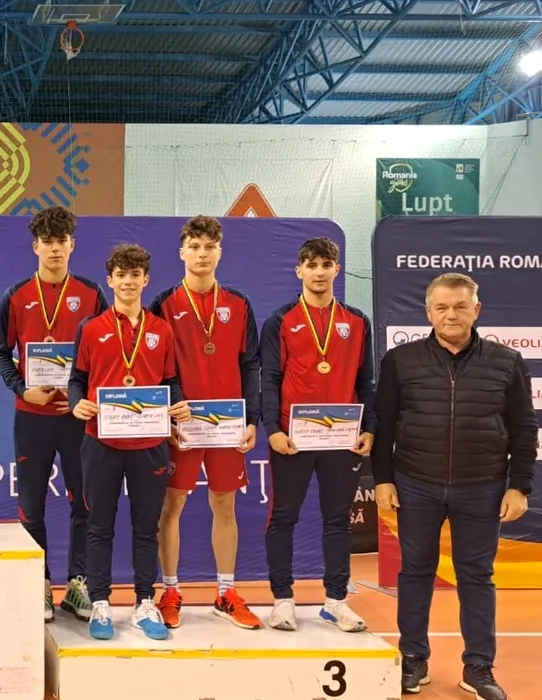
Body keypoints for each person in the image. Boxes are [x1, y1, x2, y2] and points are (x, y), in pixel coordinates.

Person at [373, 272, 536, 700]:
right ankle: (413, 659)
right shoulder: (400, 360)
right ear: (428, 312)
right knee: (415, 573)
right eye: (441, 307)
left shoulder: (507, 362)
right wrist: (383, 479)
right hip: (415, 484)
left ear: (476, 310)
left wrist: (520, 485)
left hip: (483, 487)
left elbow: (524, 427)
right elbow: (383, 424)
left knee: (477, 576)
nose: (451, 315)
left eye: (460, 306)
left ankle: (479, 668)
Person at [67, 243, 191, 641]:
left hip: (149, 443)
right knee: (99, 526)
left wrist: (178, 404)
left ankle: (144, 603)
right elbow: (77, 379)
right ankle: (100, 602)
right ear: (110, 280)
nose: (128, 282)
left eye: (135, 275)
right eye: (121, 275)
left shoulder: (161, 329)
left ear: (145, 280)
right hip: (101, 441)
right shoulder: (91, 327)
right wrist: (76, 402)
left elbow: (170, 381)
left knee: (145, 528)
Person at [0, 205, 106, 623]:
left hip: (77, 419)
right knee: (31, 504)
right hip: (32, 415)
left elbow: (105, 353)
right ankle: (38, 583)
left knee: (84, 503)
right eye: (47, 242)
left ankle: (78, 584)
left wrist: (82, 397)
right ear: (35, 247)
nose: (54, 249)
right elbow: (0, 352)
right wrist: (23, 389)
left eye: (61, 241)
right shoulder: (16, 296)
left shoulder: (92, 294)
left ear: (72, 245)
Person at [149, 215, 262, 630]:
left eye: (209, 247)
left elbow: (250, 364)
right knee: (172, 505)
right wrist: (171, 409)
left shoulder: (238, 304)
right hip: (184, 425)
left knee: (224, 504)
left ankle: (226, 592)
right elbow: (157, 366)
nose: (202, 254)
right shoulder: (163, 304)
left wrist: (252, 418)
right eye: (194, 247)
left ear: (220, 252)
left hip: (228, 424)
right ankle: (170, 591)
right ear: (182, 252)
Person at [260, 236, 375, 633]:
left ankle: (336, 601)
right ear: (299, 271)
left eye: (326, 265)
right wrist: (272, 429)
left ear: (337, 269)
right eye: (312, 265)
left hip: (341, 438)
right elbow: (269, 379)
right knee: (283, 517)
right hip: (293, 438)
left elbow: (366, 381)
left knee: (338, 519)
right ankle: (282, 600)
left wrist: (370, 428)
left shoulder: (357, 321)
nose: (319, 272)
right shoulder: (280, 321)